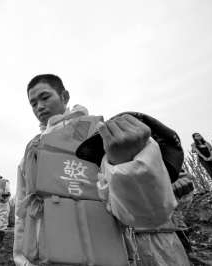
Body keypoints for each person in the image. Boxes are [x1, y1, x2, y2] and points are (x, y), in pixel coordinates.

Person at [14, 74, 178, 265]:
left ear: (65, 96)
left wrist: (127, 162)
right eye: (33, 103)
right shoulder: (31, 151)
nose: (39, 107)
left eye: (45, 97)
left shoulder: (101, 137)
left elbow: (144, 214)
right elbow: (21, 208)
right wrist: (21, 259)